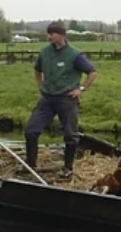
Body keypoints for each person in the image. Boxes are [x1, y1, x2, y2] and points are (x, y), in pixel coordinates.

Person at [25, 22, 97, 178]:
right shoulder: (44, 53)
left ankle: (68, 168)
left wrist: (81, 89)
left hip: (67, 100)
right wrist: (41, 86)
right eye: (48, 34)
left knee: (71, 135)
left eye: (52, 34)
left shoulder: (75, 54)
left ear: (62, 35)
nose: (49, 37)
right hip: (47, 99)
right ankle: (30, 165)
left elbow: (92, 72)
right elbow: (37, 71)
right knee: (31, 130)